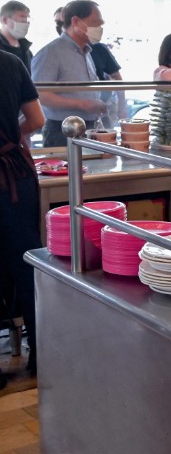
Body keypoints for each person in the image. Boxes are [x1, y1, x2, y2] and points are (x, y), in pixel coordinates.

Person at [0, 49, 45, 385]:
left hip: (10, 176)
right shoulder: (10, 62)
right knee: (28, 265)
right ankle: (42, 354)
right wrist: (12, 136)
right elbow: (37, 120)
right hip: (13, 177)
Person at [30, 0, 108, 147]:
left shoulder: (86, 52)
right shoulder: (50, 53)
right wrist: (83, 104)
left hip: (89, 127)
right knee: (66, 170)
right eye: (95, 23)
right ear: (76, 22)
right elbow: (41, 96)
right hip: (61, 130)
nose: (99, 28)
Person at [0, 0, 33, 69]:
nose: (26, 23)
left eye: (27, 19)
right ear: (5, 20)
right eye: (22, 18)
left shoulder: (26, 50)